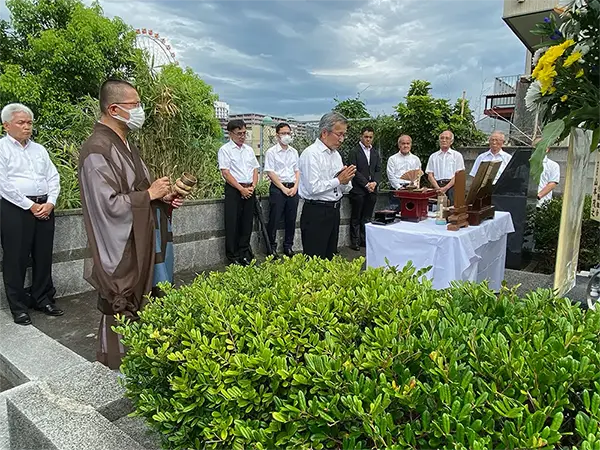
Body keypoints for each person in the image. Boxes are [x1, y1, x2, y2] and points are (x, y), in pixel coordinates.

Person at [78, 79, 183, 369]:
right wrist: (149, 195)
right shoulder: (97, 148)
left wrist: (164, 199)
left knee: (149, 304)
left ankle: (142, 367)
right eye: (134, 105)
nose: (140, 110)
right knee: (124, 307)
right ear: (113, 109)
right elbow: (106, 206)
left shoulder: (125, 144)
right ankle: (118, 369)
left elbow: (139, 191)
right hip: (123, 246)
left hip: (144, 238)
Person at [0, 103, 63, 325]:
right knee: (15, 258)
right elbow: (3, 184)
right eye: (21, 123)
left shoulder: (39, 150)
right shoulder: (2, 149)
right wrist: (29, 205)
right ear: (6, 125)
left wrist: (51, 202)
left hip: (44, 206)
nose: (27, 127)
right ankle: (18, 307)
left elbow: (53, 177)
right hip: (15, 209)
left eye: (29, 123)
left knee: (43, 255)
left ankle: (42, 298)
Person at [298, 112, 356, 259]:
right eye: (339, 134)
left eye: (344, 135)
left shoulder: (336, 155)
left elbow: (342, 187)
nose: (342, 139)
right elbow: (313, 188)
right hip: (316, 211)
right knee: (314, 258)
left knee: (330, 257)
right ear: (325, 133)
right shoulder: (311, 154)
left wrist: (346, 180)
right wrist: (338, 180)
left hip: (334, 210)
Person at [218, 119, 259, 265]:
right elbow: (226, 173)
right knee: (233, 223)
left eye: (244, 133)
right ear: (230, 134)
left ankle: (244, 254)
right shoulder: (225, 150)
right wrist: (241, 189)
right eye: (239, 133)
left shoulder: (248, 150)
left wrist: (253, 186)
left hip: (249, 188)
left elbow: (255, 169)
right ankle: (233, 256)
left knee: (246, 223)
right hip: (235, 190)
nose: (242, 136)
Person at [264, 122, 300, 257]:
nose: (286, 136)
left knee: (291, 219)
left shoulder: (294, 152)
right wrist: (282, 188)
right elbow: (270, 172)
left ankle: (288, 246)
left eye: (288, 133)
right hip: (278, 188)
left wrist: (296, 186)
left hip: (293, 187)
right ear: (277, 135)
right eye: (283, 133)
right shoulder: (271, 152)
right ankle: (271, 247)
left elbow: (297, 170)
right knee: (274, 218)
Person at [347, 126, 381, 251]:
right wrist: (366, 184)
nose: (368, 139)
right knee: (356, 216)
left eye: (370, 137)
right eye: (366, 137)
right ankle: (354, 241)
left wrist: (375, 183)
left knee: (367, 216)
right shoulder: (354, 152)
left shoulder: (375, 152)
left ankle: (363, 239)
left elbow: (378, 170)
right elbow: (353, 170)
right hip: (358, 189)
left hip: (372, 190)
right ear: (361, 136)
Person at [425, 130, 465, 203]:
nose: (444, 140)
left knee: (451, 210)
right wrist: (438, 188)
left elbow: (458, 175)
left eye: (447, 138)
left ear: (451, 141)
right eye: (442, 138)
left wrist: (445, 188)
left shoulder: (457, 156)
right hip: (436, 186)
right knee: (435, 211)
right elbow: (430, 175)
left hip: (452, 187)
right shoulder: (433, 156)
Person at [535, 140, 560, 207]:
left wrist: (539, 196)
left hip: (543, 203)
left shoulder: (553, 165)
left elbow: (552, 183)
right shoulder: (526, 163)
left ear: (547, 149)